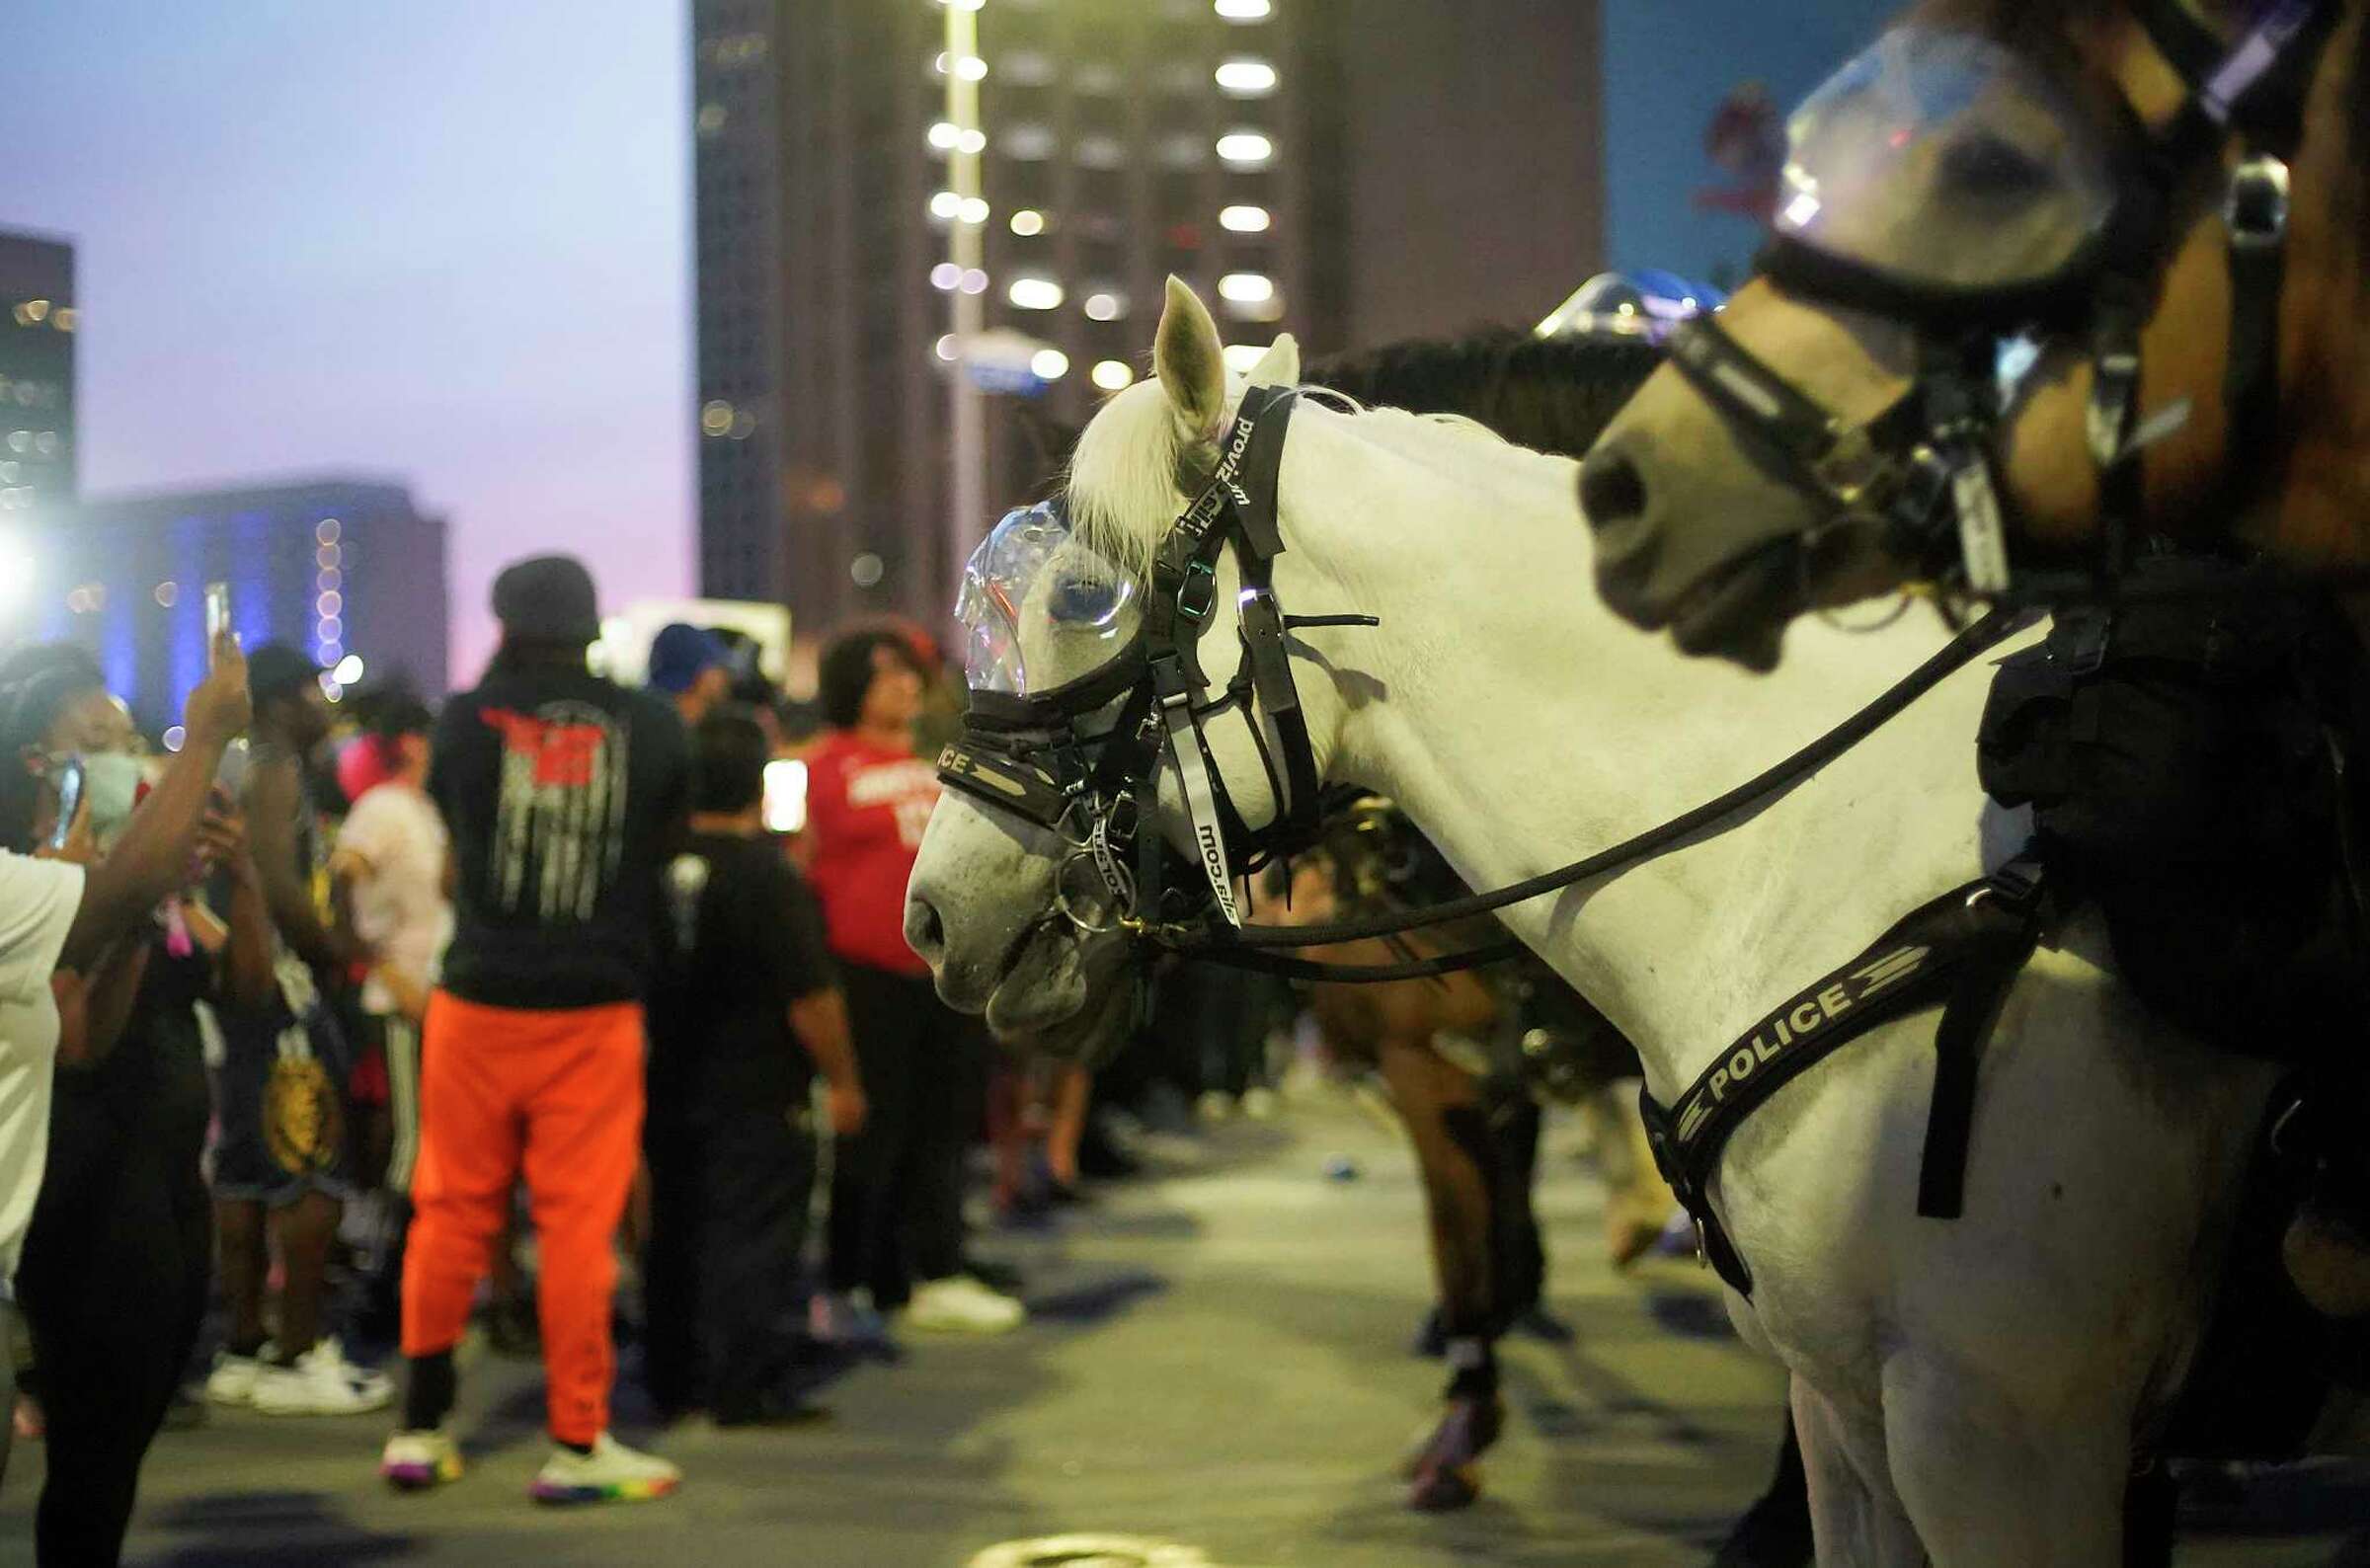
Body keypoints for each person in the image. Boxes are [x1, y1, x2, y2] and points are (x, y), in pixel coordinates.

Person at [381, 554, 688, 1504]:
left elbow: (454, 830)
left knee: (450, 1212)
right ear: (593, 623)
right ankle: (578, 1442)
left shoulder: (463, 720)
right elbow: (665, 845)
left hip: (476, 1001)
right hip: (592, 1005)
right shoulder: (650, 724)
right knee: (576, 1227)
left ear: (504, 621)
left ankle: (420, 1430)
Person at [0, 634, 251, 1556]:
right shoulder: (30, 879)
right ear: (41, 763)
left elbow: (246, 986)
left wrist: (221, 877)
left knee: (116, 1446)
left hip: (164, 1179)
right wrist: (209, 737)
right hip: (86, 1194)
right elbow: (81, 1041)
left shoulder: (120, 876)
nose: (124, 753)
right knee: (91, 1458)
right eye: (98, 740)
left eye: (127, 734)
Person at [642, 706, 864, 1425]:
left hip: (666, 1081)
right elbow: (811, 995)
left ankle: (671, 1373)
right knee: (755, 1233)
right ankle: (744, 1381)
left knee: (674, 1226)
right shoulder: (768, 875)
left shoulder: (653, 866)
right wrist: (844, 1079)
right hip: (760, 1087)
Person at [809, 628, 1021, 1338]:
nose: (905, 686)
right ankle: (850, 1281)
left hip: (942, 974)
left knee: (944, 1127)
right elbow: (800, 864)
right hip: (863, 977)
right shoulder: (821, 767)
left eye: (909, 675)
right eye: (886, 676)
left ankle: (934, 1270)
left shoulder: (940, 763)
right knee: (871, 1132)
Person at [204, 644, 387, 1417]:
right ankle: (298, 1350)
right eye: (314, 687)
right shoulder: (276, 768)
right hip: (285, 989)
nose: (325, 701)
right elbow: (277, 877)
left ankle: (246, 1344)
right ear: (284, 698)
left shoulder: (243, 765)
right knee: (311, 1171)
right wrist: (330, 947)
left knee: (246, 1171)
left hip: (244, 994)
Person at [646, 622, 733, 730]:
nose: (726, 675)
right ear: (703, 675)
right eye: (717, 665)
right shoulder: (676, 732)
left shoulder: (646, 717)